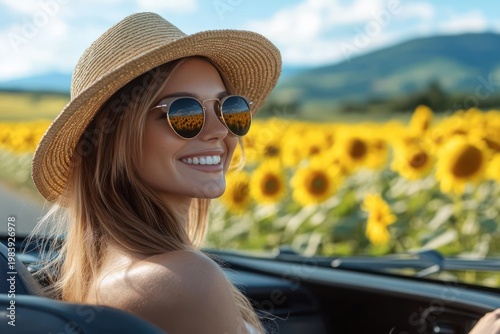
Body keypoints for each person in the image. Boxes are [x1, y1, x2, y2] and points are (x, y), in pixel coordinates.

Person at [30, 12, 281, 334]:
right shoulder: (184, 280)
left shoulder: (102, 276)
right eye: (184, 112)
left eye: (229, 109)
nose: (220, 130)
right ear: (111, 135)